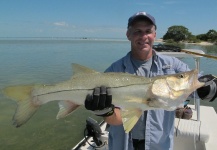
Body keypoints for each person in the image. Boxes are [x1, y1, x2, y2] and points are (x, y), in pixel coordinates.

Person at [84, 11, 217, 150]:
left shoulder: (173, 65)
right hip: (123, 145)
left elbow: (199, 85)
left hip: (159, 145)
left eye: (148, 31)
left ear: (155, 35)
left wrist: (209, 87)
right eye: (137, 31)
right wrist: (104, 111)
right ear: (128, 35)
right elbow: (116, 119)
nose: (143, 36)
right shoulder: (114, 70)